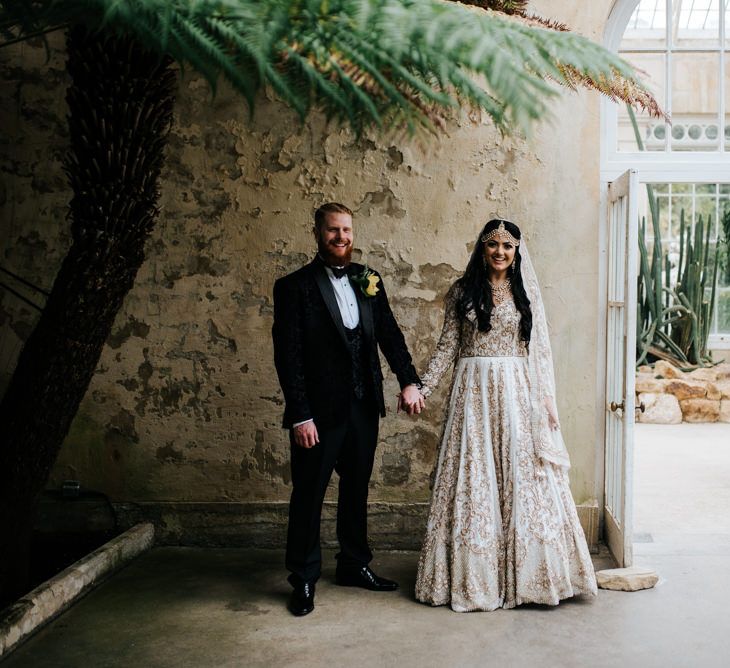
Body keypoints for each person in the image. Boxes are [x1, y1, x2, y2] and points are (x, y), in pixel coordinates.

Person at [414, 218, 597, 612]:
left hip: (516, 391)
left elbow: (539, 351)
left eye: (508, 245)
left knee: (523, 476)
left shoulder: (525, 292)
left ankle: (530, 577)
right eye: (493, 244)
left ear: (517, 253)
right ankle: (476, 577)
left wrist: (546, 399)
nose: (500, 251)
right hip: (473, 393)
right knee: (474, 475)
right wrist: (423, 387)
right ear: (482, 249)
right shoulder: (462, 292)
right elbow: (448, 346)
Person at [272, 202, 424, 616]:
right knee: (309, 493)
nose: (342, 238)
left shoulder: (367, 278)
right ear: (317, 233)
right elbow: (288, 356)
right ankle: (303, 578)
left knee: (355, 490)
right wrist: (300, 413)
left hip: (363, 405)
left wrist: (409, 379)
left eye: (347, 230)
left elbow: (389, 335)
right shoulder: (294, 287)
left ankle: (354, 565)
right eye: (333, 230)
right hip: (317, 414)